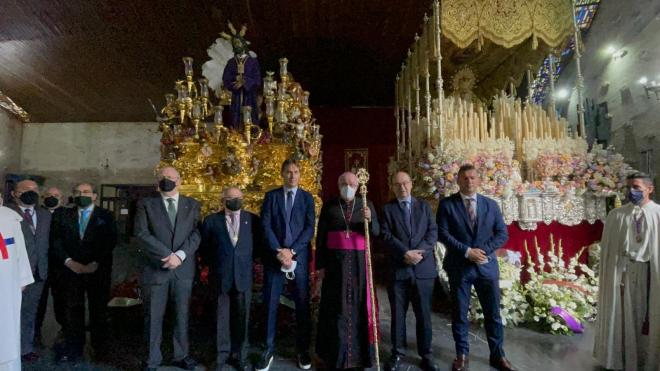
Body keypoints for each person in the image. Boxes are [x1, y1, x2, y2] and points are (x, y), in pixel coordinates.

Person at [436, 164, 514, 371]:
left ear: (478, 180)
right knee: (460, 314)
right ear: (458, 181)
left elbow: (502, 234)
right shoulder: (447, 205)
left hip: (486, 266)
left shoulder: (491, 205)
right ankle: (462, 355)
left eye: (472, 178)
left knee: (493, 314)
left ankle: (498, 355)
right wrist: (466, 251)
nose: (469, 182)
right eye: (465, 178)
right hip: (459, 267)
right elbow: (443, 234)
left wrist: (482, 251)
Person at [135, 166, 201, 371]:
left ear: (180, 181)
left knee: (182, 315)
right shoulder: (146, 204)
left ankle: (180, 355)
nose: (168, 180)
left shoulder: (192, 204)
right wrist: (167, 255)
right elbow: (142, 234)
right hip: (157, 268)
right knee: (153, 316)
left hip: (183, 269)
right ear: (157, 182)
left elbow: (197, 233)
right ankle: (152, 359)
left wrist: (180, 256)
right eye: (163, 177)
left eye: (172, 178)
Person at [594, 172, 660, 371]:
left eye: (637, 188)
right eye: (628, 188)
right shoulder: (617, 216)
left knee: (649, 315)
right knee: (623, 314)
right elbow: (609, 251)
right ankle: (622, 358)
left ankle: (649, 360)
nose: (632, 192)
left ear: (650, 189)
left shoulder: (658, 214)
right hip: (622, 273)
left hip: (650, 274)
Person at [315, 172, 380, 370]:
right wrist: (320, 268)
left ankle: (360, 357)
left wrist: (370, 220)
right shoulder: (329, 206)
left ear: (358, 185)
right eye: (343, 183)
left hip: (360, 266)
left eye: (351, 183)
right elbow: (321, 238)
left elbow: (376, 233)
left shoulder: (366, 205)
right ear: (338, 184)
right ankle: (335, 355)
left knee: (360, 306)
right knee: (336, 308)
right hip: (336, 268)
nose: (347, 186)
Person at [257, 158, 316, 371]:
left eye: (296, 172)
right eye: (288, 172)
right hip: (275, 258)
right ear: (282, 174)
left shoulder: (307, 198)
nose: (292, 175)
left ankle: (302, 350)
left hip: (297, 258)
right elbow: (265, 225)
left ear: (300, 174)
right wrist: (279, 251)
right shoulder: (271, 197)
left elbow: (309, 228)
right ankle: (267, 348)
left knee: (302, 305)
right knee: (270, 304)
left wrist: (292, 251)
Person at [50, 182, 117, 363]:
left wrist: (95, 263)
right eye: (78, 192)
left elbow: (110, 242)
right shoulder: (62, 214)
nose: (82, 195)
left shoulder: (106, 216)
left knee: (99, 311)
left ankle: (100, 350)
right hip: (70, 271)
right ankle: (73, 349)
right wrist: (69, 262)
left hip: (97, 270)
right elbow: (55, 241)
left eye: (86, 192)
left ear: (95, 196)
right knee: (72, 310)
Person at [381, 171, 439, 371]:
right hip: (398, 269)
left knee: (424, 314)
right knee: (398, 315)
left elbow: (433, 232)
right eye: (397, 184)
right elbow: (385, 235)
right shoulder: (387, 210)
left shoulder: (424, 207)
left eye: (405, 183)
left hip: (423, 269)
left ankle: (427, 354)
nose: (402, 187)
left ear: (411, 184)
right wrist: (404, 253)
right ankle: (397, 353)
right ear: (392, 187)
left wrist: (418, 253)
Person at [201, 187, 261, 371]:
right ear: (223, 200)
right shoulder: (211, 221)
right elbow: (205, 249)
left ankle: (240, 356)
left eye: (237, 198)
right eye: (230, 198)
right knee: (220, 318)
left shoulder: (252, 220)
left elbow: (257, 247)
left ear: (243, 199)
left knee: (242, 319)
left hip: (243, 277)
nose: (234, 200)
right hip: (220, 277)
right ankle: (221, 357)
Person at [6, 180, 51, 362]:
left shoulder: (45, 215)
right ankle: (7, 348)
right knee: (9, 313)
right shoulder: (6, 214)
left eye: (33, 190)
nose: (30, 193)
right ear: (14, 194)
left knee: (29, 313)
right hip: (12, 275)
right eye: (24, 190)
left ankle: (25, 349)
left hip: (38, 273)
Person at [0, 195, 34, 371]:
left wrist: (23, 278)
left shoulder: (11, 218)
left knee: (8, 330)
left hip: (7, 288)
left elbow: (20, 250)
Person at [35, 186, 65, 344]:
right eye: (48, 195)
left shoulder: (68, 215)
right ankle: (35, 331)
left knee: (61, 299)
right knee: (39, 300)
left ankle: (64, 329)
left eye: (56, 195)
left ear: (62, 199)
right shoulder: (36, 214)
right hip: (40, 265)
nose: (51, 197)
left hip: (61, 266)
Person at [222, 24, 261, 128]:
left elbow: (257, 80)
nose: (237, 45)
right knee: (235, 117)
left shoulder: (252, 62)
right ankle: (236, 134)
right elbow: (225, 78)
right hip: (236, 95)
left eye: (239, 43)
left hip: (249, 95)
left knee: (250, 118)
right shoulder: (231, 62)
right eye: (235, 43)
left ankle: (250, 134)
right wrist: (235, 79)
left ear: (243, 44)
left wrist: (245, 81)